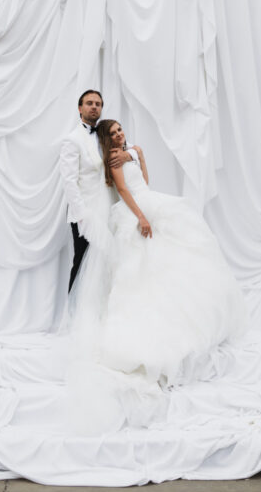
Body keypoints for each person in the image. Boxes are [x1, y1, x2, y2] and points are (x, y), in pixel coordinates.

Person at [89, 118, 248, 387]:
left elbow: (144, 182)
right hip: (135, 209)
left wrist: (139, 154)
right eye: (113, 133)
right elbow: (125, 190)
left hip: (148, 198)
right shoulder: (114, 158)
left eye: (120, 130)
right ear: (106, 138)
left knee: (171, 256)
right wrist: (141, 216)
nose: (118, 135)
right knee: (139, 267)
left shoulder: (131, 152)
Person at [58, 90, 131, 289]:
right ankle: (74, 314)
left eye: (98, 103)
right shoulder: (72, 140)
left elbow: (128, 146)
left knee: (105, 263)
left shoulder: (103, 134)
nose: (94, 107)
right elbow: (69, 182)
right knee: (82, 263)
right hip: (85, 213)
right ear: (80, 108)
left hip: (108, 208)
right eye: (89, 103)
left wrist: (129, 155)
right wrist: (83, 216)